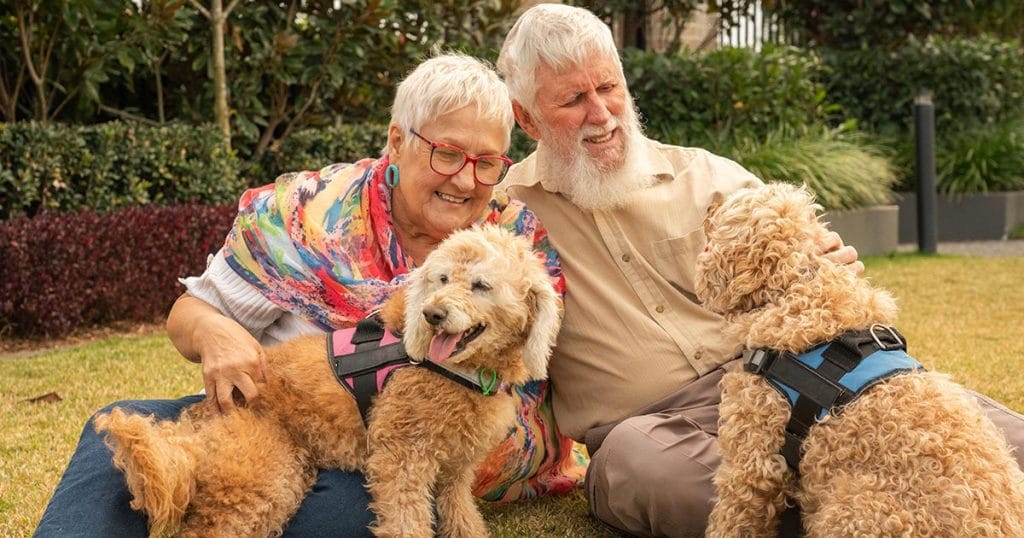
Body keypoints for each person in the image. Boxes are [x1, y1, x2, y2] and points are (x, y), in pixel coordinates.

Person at [496, 4, 1024, 537]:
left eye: (608, 88)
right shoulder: (505, 215)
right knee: (655, 474)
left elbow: (814, 258)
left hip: (796, 383)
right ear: (526, 118)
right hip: (655, 428)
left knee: (1004, 440)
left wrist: (827, 263)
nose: (601, 113)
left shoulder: (708, 176)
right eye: (573, 100)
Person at [34, 53, 586, 537]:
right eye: (446, 153)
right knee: (119, 427)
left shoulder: (517, 239)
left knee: (343, 513)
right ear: (397, 141)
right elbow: (190, 313)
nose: (465, 181)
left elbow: (528, 365)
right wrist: (215, 332)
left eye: (487, 163)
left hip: (397, 452)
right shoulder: (303, 212)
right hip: (275, 407)